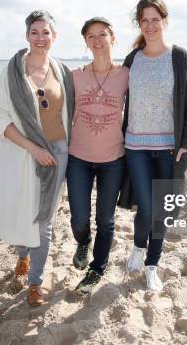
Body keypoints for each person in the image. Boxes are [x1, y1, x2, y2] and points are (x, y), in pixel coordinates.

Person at [0, 10, 74, 306]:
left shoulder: (62, 70)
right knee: (24, 211)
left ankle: (35, 283)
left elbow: (72, 112)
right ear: (27, 36)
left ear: (54, 36)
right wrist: (33, 148)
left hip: (59, 152)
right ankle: (23, 255)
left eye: (46, 32)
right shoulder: (12, 72)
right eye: (35, 32)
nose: (40, 38)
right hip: (24, 155)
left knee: (44, 219)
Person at [121, 0, 187, 291]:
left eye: (156, 19)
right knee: (146, 208)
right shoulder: (132, 60)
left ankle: (152, 265)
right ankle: (138, 247)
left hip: (169, 147)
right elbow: (114, 98)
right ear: (139, 24)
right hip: (136, 147)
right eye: (145, 20)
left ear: (164, 21)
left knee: (162, 209)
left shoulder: (179, 58)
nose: (150, 25)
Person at [66, 17, 129, 294]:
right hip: (78, 156)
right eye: (90, 36)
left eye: (102, 34)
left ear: (112, 38)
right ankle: (83, 241)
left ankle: (97, 268)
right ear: (85, 41)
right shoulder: (75, 76)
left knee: (106, 219)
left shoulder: (126, 74)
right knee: (80, 217)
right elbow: (56, 110)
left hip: (114, 158)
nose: (97, 40)